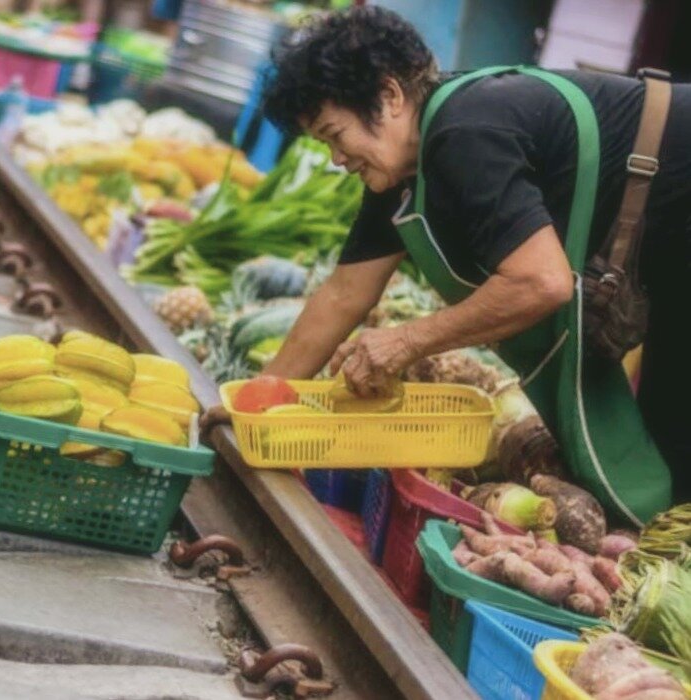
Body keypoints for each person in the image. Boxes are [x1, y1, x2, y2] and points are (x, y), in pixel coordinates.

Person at [206, 7, 691, 521]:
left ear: (390, 96)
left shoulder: (466, 132)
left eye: (334, 134)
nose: (336, 158)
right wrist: (254, 403)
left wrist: (405, 341)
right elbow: (345, 293)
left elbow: (539, 282)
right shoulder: (406, 167)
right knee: (674, 454)